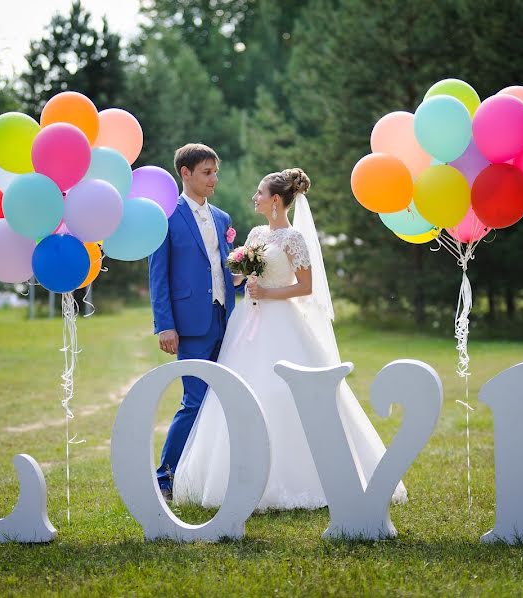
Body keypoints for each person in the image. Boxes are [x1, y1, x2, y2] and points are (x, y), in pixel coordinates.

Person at [173, 168, 407, 510]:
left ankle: (300, 478)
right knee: (240, 391)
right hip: (248, 324)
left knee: (281, 393)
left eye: (260, 193)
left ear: (276, 201)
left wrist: (267, 293)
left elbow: (305, 287)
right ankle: (235, 477)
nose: (255, 198)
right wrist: (240, 278)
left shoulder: (293, 239)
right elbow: (241, 277)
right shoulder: (255, 232)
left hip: (282, 322)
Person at [147, 143, 238, 502]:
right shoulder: (166, 216)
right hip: (189, 324)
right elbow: (159, 276)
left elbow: (225, 268)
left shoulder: (222, 218)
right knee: (196, 399)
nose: (214, 178)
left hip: (224, 320)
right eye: (207, 172)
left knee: (223, 400)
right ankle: (165, 475)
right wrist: (164, 325)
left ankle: (208, 474)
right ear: (185, 173)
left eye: (215, 172)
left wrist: (250, 271)